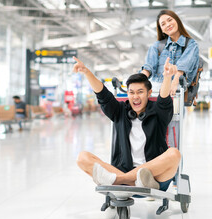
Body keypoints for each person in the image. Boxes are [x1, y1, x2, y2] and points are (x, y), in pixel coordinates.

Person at [73, 56, 181, 190]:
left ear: (149, 93)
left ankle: (119, 181)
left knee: (174, 154)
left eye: (140, 92)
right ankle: (132, 181)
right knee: (82, 157)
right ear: (128, 94)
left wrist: (167, 77)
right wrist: (87, 72)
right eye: (131, 92)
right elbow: (103, 95)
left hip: (154, 176)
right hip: (122, 169)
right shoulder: (120, 111)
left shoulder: (158, 112)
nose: (135, 96)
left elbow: (164, 100)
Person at [141, 9, 199, 96]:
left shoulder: (191, 44)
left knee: (175, 109)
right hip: (156, 89)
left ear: (177, 20)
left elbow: (183, 67)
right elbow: (148, 67)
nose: (168, 25)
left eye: (170, 20)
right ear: (162, 30)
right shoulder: (156, 46)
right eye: (163, 24)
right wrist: (138, 80)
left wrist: (174, 83)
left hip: (178, 90)